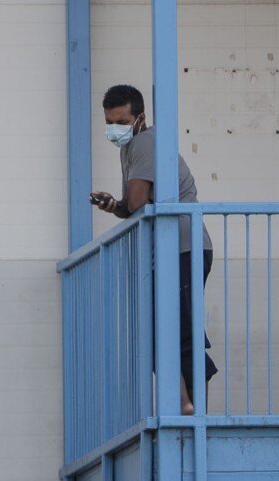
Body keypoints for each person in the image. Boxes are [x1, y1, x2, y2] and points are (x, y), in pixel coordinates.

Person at [89, 84, 218, 415]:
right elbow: (131, 205)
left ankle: (194, 409)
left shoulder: (146, 141)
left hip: (184, 247)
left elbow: (134, 202)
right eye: (109, 122)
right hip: (168, 253)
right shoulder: (130, 147)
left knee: (180, 332)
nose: (114, 129)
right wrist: (112, 205)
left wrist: (125, 203)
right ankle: (184, 405)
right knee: (162, 331)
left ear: (140, 117)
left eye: (120, 121)